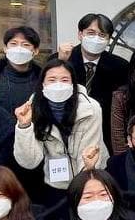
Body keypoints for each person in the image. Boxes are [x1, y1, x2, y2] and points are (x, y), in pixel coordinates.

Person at [13, 59, 107, 204]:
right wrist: (24, 126)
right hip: (55, 183)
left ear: (73, 84)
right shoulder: (33, 108)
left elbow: (90, 150)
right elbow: (29, 162)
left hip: (90, 178)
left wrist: (84, 187)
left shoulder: (91, 109)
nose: (58, 85)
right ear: (42, 84)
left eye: (64, 80)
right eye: (52, 80)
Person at [54, 13, 130, 152]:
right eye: (91, 33)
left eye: (102, 35)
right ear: (80, 34)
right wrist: (62, 62)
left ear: (108, 39)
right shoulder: (61, 59)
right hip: (66, 134)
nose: (96, 38)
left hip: (104, 138)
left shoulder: (121, 67)